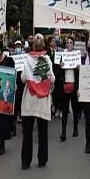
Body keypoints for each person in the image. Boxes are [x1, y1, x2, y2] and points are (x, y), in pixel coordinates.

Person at [20, 34, 55, 169]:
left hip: (30, 99)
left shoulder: (27, 59)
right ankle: (42, 160)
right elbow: (51, 79)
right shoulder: (47, 60)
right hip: (43, 100)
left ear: (33, 45)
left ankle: (25, 161)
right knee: (42, 132)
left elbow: (23, 78)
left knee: (27, 132)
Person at [58, 36, 81, 141]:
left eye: (71, 42)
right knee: (65, 109)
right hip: (65, 85)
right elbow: (57, 73)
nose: (69, 44)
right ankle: (63, 131)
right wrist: (60, 67)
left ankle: (75, 128)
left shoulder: (77, 56)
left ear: (73, 44)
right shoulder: (62, 57)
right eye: (67, 42)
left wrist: (78, 69)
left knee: (75, 108)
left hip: (75, 85)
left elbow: (82, 73)